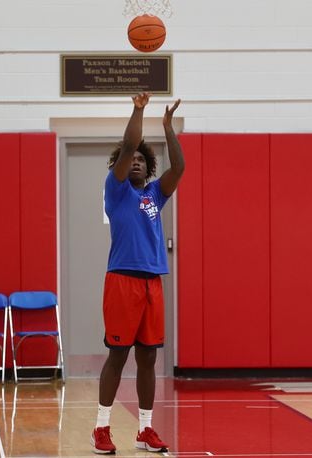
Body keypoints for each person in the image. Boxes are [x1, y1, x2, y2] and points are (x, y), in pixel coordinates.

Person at [91, 92, 184, 455]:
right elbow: (130, 143)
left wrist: (168, 128)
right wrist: (139, 110)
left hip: (152, 284)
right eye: (131, 160)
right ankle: (101, 428)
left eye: (144, 161)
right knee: (117, 356)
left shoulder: (155, 196)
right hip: (122, 281)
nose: (136, 163)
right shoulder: (115, 192)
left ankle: (145, 429)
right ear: (121, 165)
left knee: (148, 358)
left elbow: (179, 169)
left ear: (150, 169)